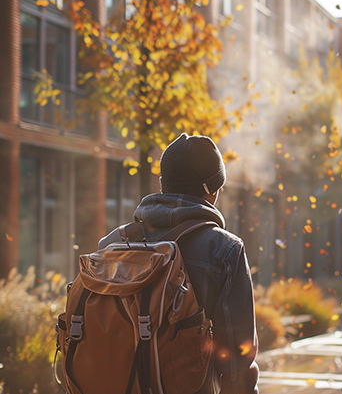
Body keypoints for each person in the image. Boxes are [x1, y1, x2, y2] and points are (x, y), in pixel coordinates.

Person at [99, 133, 259, 394]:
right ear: (213, 189)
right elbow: (236, 360)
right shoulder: (224, 250)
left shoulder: (112, 243)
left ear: (163, 184)